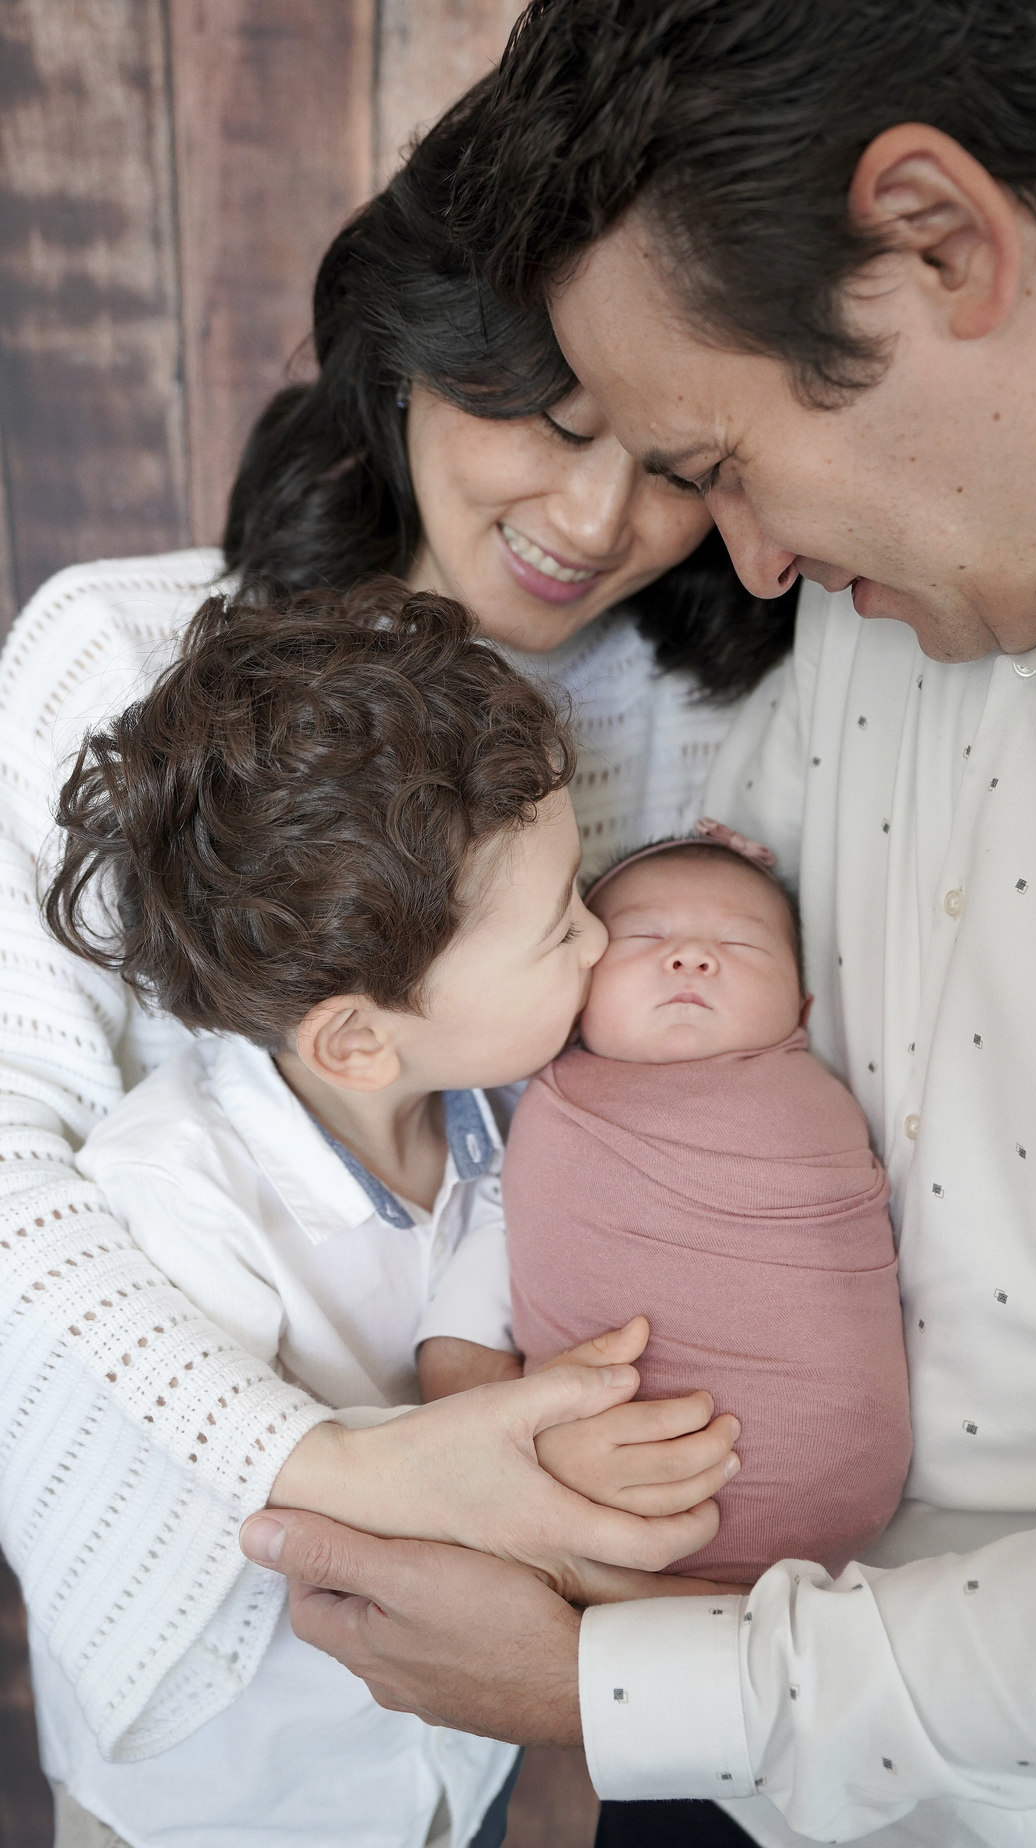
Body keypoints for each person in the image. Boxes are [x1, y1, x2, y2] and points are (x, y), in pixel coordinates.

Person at [238, 4, 1036, 1845]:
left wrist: (605, 1688)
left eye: (714, 456)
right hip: (719, 1770)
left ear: (941, 243)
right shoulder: (864, 601)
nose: (743, 562)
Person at [0, 90, 788, 1846]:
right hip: (213, 1662)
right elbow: (10, 1169)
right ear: (413, 352)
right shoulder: (116, 656)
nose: (596, 517)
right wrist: (344, 1466)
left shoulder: (700, 719)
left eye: (673, 458)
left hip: (538, 1671)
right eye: (549, 419)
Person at [34, 581, 734, 1848]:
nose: (597, 941)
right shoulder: (175, 1193)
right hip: (224, 1808)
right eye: (557, 928)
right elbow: (208, 1503)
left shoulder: (509, 1116)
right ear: (358, 1041)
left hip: (425, 1778)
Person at [506, 827, 910, 1584]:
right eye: (646, 936)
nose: (691, 957)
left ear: (802, 1006)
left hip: (824, 1471)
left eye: (742, 945)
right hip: (587, 1473)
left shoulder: (811, 1106)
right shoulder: (547, 1090)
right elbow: (497, 1239)